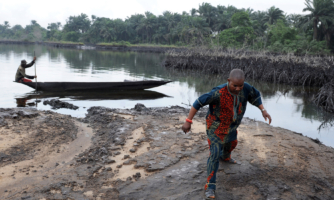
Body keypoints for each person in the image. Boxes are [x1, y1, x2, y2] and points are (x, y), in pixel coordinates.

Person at [182, 69, 272, 199]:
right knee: (214, 154)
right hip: (215, 128)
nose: (238, 88)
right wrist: (188, 121)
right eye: (234, 85)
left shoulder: (245, 88)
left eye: (240, 86)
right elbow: (198, 102)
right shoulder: (217, 93)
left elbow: (255, 96)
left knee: (232, 143)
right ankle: (210, 186)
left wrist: (263, 110)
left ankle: (225, 156)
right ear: (228, 81)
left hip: (231, 126)